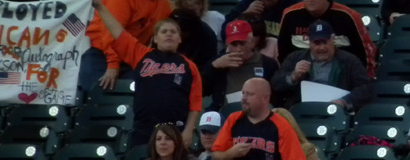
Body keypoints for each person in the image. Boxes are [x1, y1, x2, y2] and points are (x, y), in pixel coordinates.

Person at [92, 0, 203, 148]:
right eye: (164, 32)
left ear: (180, 38)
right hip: (144, 128)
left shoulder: (190, 66)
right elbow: (118, 32)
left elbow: (195, 104)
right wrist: (100, 7)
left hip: (176, 129)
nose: (169, 34)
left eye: (173, 32)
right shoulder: (140, 55)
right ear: (155, 38)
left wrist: (189, 131)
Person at [210, 78, 314, 160]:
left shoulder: (280, 126)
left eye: (250, 94)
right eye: (243, 93)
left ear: (265, 98)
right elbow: (216, 159)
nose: (244, 98)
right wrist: (231, 153)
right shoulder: (233, 120)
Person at [271, 20, 374, 110]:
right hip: (302, 111)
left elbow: (365, 88)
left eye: (325, 42)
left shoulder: (349, 60)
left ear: (332, 39)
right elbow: (275, 84)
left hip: (337, 113)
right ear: (309, 42)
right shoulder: (295, 58)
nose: (322, 48)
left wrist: (344, 101)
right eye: (317, 43)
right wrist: (293, 76)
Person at [81, 0, 172, 91]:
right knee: (97, 95)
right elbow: (109, 32)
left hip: (131, 60)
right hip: (102, 56)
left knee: (139, 96)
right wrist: (113, 64)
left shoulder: (163, 5)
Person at [278, 0, 377, 78]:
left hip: (342, 78)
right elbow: (282, 53)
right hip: (301, 79)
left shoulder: (348, 16)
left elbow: (366, 52)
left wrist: (364, 78)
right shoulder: (290, 15)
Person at [204, 20, 280, 110]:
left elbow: (276, 96)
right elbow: (201, 91)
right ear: (227, 43)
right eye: (234, 44)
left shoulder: (268, 64)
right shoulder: (218, 62)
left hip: (258, 112)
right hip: (224, 113)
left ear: (253, 41)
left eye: (242, 43)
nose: (238, 49)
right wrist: (213, 67)